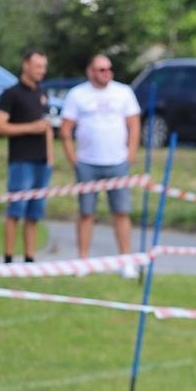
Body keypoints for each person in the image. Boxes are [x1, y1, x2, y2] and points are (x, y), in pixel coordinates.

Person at [59, 54, 140, 275]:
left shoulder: (123, 92)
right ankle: (83, 261)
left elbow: (134, 124)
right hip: (87, 162)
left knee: (121, 212)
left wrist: (131, 152)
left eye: (109, 69)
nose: (106, 73)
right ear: (90, 71)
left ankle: (126, 261)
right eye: (101, 69)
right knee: (86, 213)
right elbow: (66, 129)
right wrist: (73, 159)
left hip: (117, 161)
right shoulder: (77, 94)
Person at [0, 49, 52, 266]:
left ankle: (30, 258)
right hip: (21, 160)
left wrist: (50, 158)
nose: (42, 71)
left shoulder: (42, 92)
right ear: (26, 65)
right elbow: (0, 126)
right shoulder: (11, 94)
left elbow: (46, 126)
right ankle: (9, 258)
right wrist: (30, 127)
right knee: (16, 211)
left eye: (44, 67)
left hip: (41, 161)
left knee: (34, 212)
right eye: (38, 66)